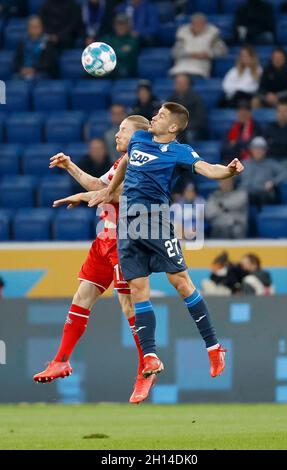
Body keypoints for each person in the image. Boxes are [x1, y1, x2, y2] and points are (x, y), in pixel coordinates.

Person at [92, 102, 244, 379]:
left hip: (156, 220)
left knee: (180, 282)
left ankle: (213, 346)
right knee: (138, 288)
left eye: (160, 116)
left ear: (173, 127)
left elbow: (209, 169)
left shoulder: (179, 151)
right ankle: (149, 356)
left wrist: (229, 171)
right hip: (128, 222)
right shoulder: (139, 138)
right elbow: (125, 161)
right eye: (156, 113)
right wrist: (109, 190)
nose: (154, 117)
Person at [33, 115, 156, 405]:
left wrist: (85, 194)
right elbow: (99, 185)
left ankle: (145, 369)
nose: (117, 135)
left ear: (139, 136)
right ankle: (61, 360)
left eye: (123, 130)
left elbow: (123, 194)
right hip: (104, 239)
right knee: (82, 295)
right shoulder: (119, 163)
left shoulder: (144, 162)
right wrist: (70, 166)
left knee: (128, 304)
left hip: (127, 241)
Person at [169, 13, 227, 78]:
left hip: (200, 67)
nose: (198, 26)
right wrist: (190, 54)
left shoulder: (213, 36)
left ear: (205, 25)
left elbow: (222, 51)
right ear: (191, 25)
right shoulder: (182, 35)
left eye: (201, 24)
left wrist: (208, 54)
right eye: (195, 24)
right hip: (181, 66)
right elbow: (174, 52)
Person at [239, 136, 287, 206]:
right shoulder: (244, 163)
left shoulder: (271, 163)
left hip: (263, 193)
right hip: (244, 193)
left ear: (265, 150)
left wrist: (273, 182)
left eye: (261, 149)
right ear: (251, 150)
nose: (258, 151)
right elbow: (232, 177)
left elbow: (285, 173)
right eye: (255, 148)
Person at [13, 16, 58, 80]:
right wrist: (21, 69)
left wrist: (34, 69)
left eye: (37, 26)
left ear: (41, 27)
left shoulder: (48, 42)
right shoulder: (22, 43)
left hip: (40, 73)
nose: (35, 29)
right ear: (28, 29)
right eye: (32, 27)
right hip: (23, 73)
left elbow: (49, 63)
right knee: (15, 79)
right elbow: (16, 61)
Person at [167, 73, 208, 142]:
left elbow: (200, 119)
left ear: (187, 84)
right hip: (175, 128)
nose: (176, 85)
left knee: (189, 135)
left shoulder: (196, 99)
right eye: (176, 82)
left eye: (179, 82)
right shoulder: (171, 99)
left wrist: (183, 126)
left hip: (190, 128)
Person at [102, 14, 140, 78]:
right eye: (118, 24)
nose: (120, 27)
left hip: (125, 70)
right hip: (108, 69)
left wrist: (108, 52)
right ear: (114, 26)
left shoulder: (133, 39)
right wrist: (118, 50)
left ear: (128, 26)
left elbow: (124, 54)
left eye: (123, 24)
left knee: (122, 72)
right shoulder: (108, 38)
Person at [264, 100, 287, 169]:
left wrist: (274, 140)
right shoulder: (271, 125)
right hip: (271, 157)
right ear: (276, 113)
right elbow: (265, 141)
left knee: (279, 168)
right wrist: (281, 140)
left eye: (285, 111)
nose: (282, 113)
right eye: (279, 111)